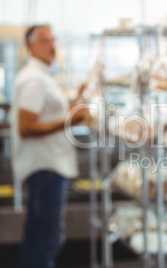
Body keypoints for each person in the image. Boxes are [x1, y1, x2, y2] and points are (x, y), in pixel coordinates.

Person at [11, 24, 88, 268]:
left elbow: (53, 114)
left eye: (53, 40)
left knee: (36, 237)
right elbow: (26, 126)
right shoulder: (34, 79)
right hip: (45, 169)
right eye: (45, 40)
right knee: (48, 240)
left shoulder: (43, 75)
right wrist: (70, 120)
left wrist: (77, 100)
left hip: (48, 167)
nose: (52, 45)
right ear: (30, 46)